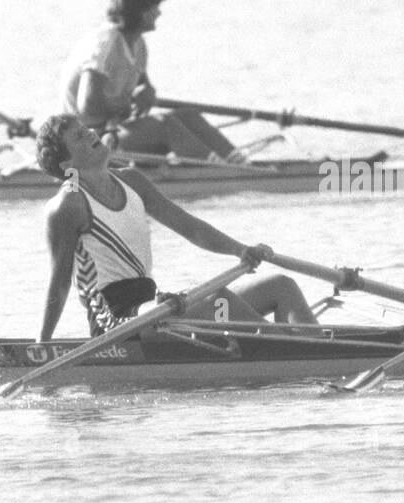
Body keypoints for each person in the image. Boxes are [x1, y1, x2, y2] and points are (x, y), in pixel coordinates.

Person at [35, 113, 315, 340]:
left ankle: (311, 350)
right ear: (67, 163)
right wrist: (41, 346)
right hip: (116, 324)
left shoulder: (132, 180)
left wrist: (239, 249)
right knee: (217, 301)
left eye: (87, 129)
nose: (92, 134)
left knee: (281, 287)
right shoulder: (67, 206)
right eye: (80, 137)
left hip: (152, 308)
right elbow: (59, 285)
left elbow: (189, 227)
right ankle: (297, 352)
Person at [60, 0, 244, 162]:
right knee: (166, 125)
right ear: (139, 11)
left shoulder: (138, 45)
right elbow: (87, 107)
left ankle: (239, 163)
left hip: (109, 131)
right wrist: (121, 107)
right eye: (155, 6)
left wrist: (147, 90)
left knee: (187, 115)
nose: (159, 12)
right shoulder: (104, 45)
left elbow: (142, 85)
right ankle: (219, 171)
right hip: (80, 141)